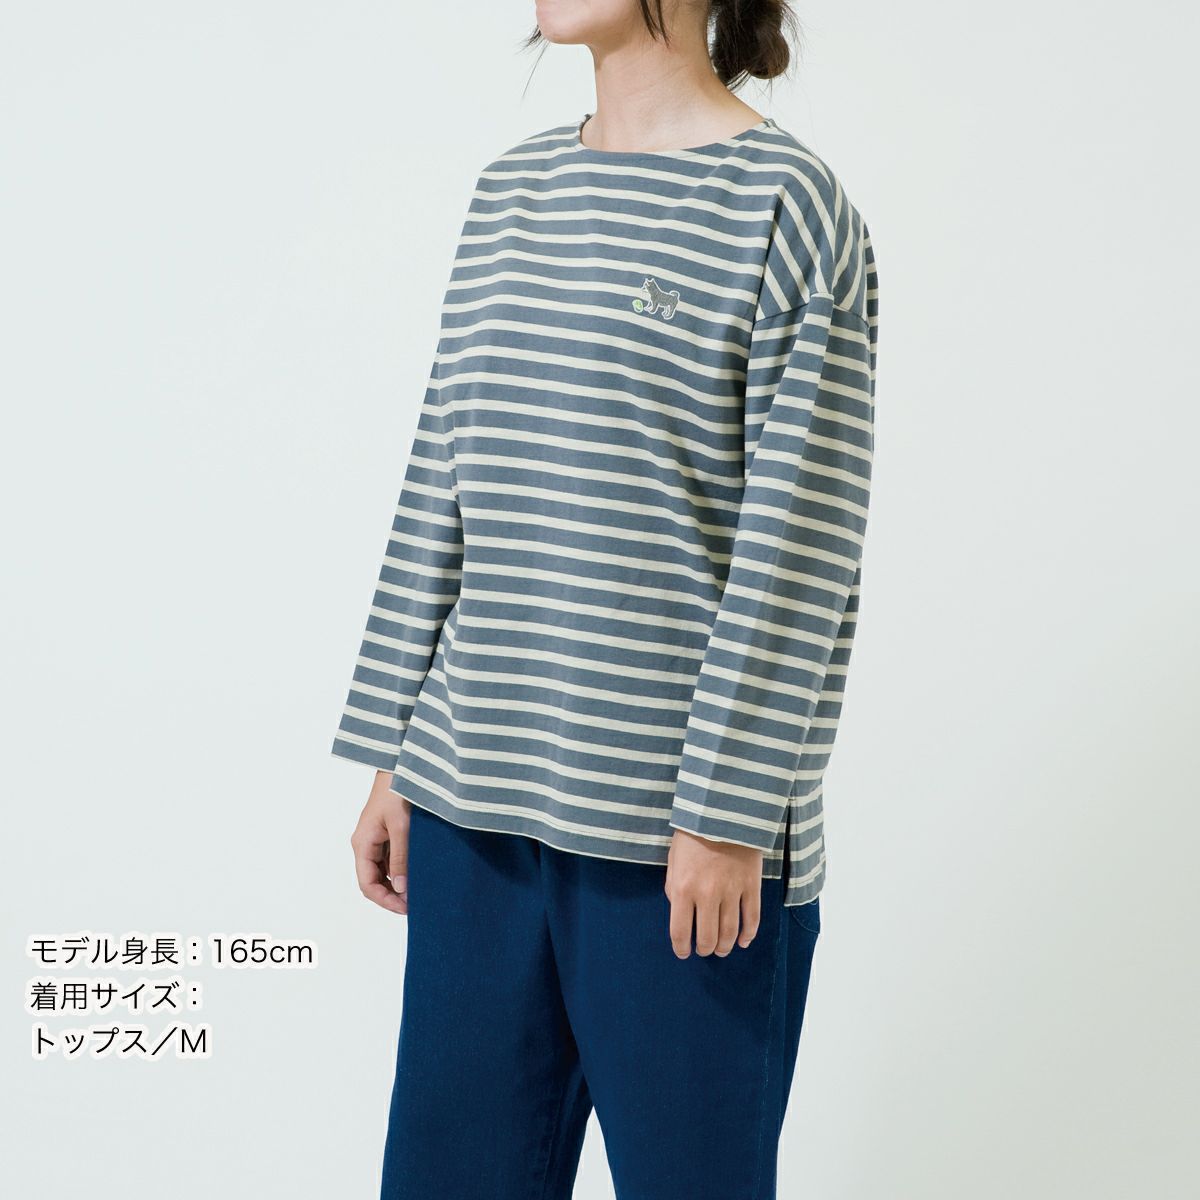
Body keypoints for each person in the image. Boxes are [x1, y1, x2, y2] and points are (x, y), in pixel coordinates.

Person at [332, 2, 878, 1196]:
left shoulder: (785, 203)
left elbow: (803, 541)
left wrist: (728, 816)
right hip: (473, 807)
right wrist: (395, 750)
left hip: (678, 842)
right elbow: (445, 471)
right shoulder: (512, 192)